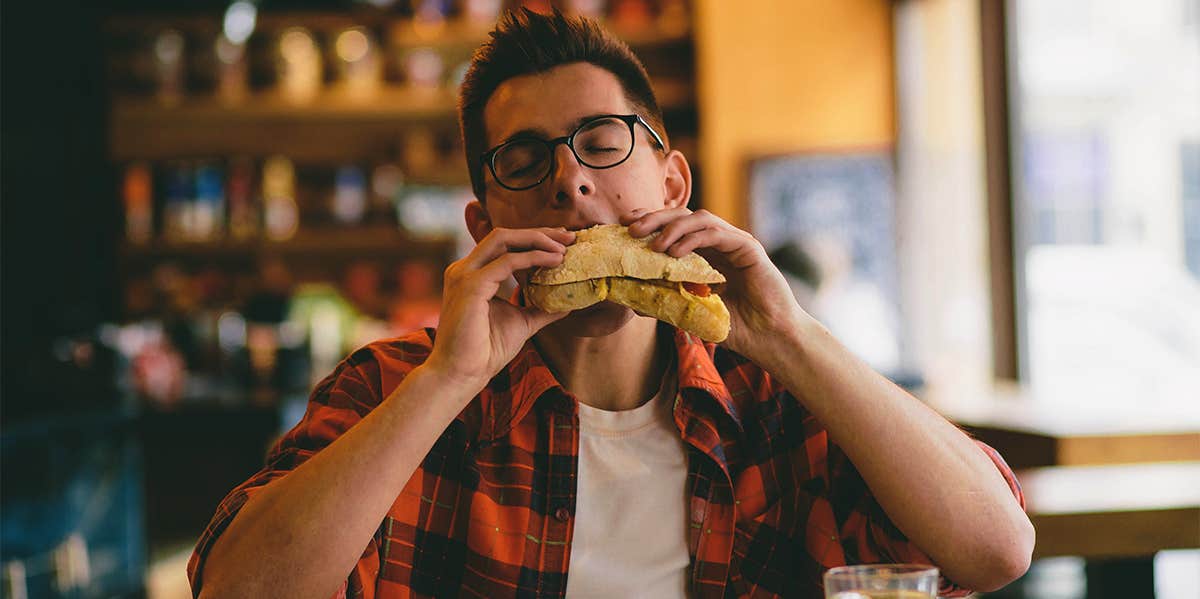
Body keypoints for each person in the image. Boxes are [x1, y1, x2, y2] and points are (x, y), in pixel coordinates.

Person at [188, 9, 1033, 599]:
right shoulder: (395, 387)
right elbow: (236, 589)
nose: (570, 179)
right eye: (524, 160)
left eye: (601, 142)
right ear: (485, 224)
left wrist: (791, 334)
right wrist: (447, 380)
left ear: (672, 183)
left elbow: (996, 549)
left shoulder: (775, 395)